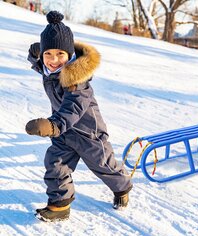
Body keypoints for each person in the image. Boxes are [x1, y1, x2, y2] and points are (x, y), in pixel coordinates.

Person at [26, 11, 132, 222]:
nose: (53, 60)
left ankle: (122, 187)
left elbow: (73, 107)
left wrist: (53, 126)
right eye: (48, 54)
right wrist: (35, 55)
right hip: (65, 133)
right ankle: (59, 206)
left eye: (60, 55)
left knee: (104, 166)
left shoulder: (77, 80)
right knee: (55, 163)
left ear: (70, 55)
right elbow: (42, 66)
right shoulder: (49, 70)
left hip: (87, 133)